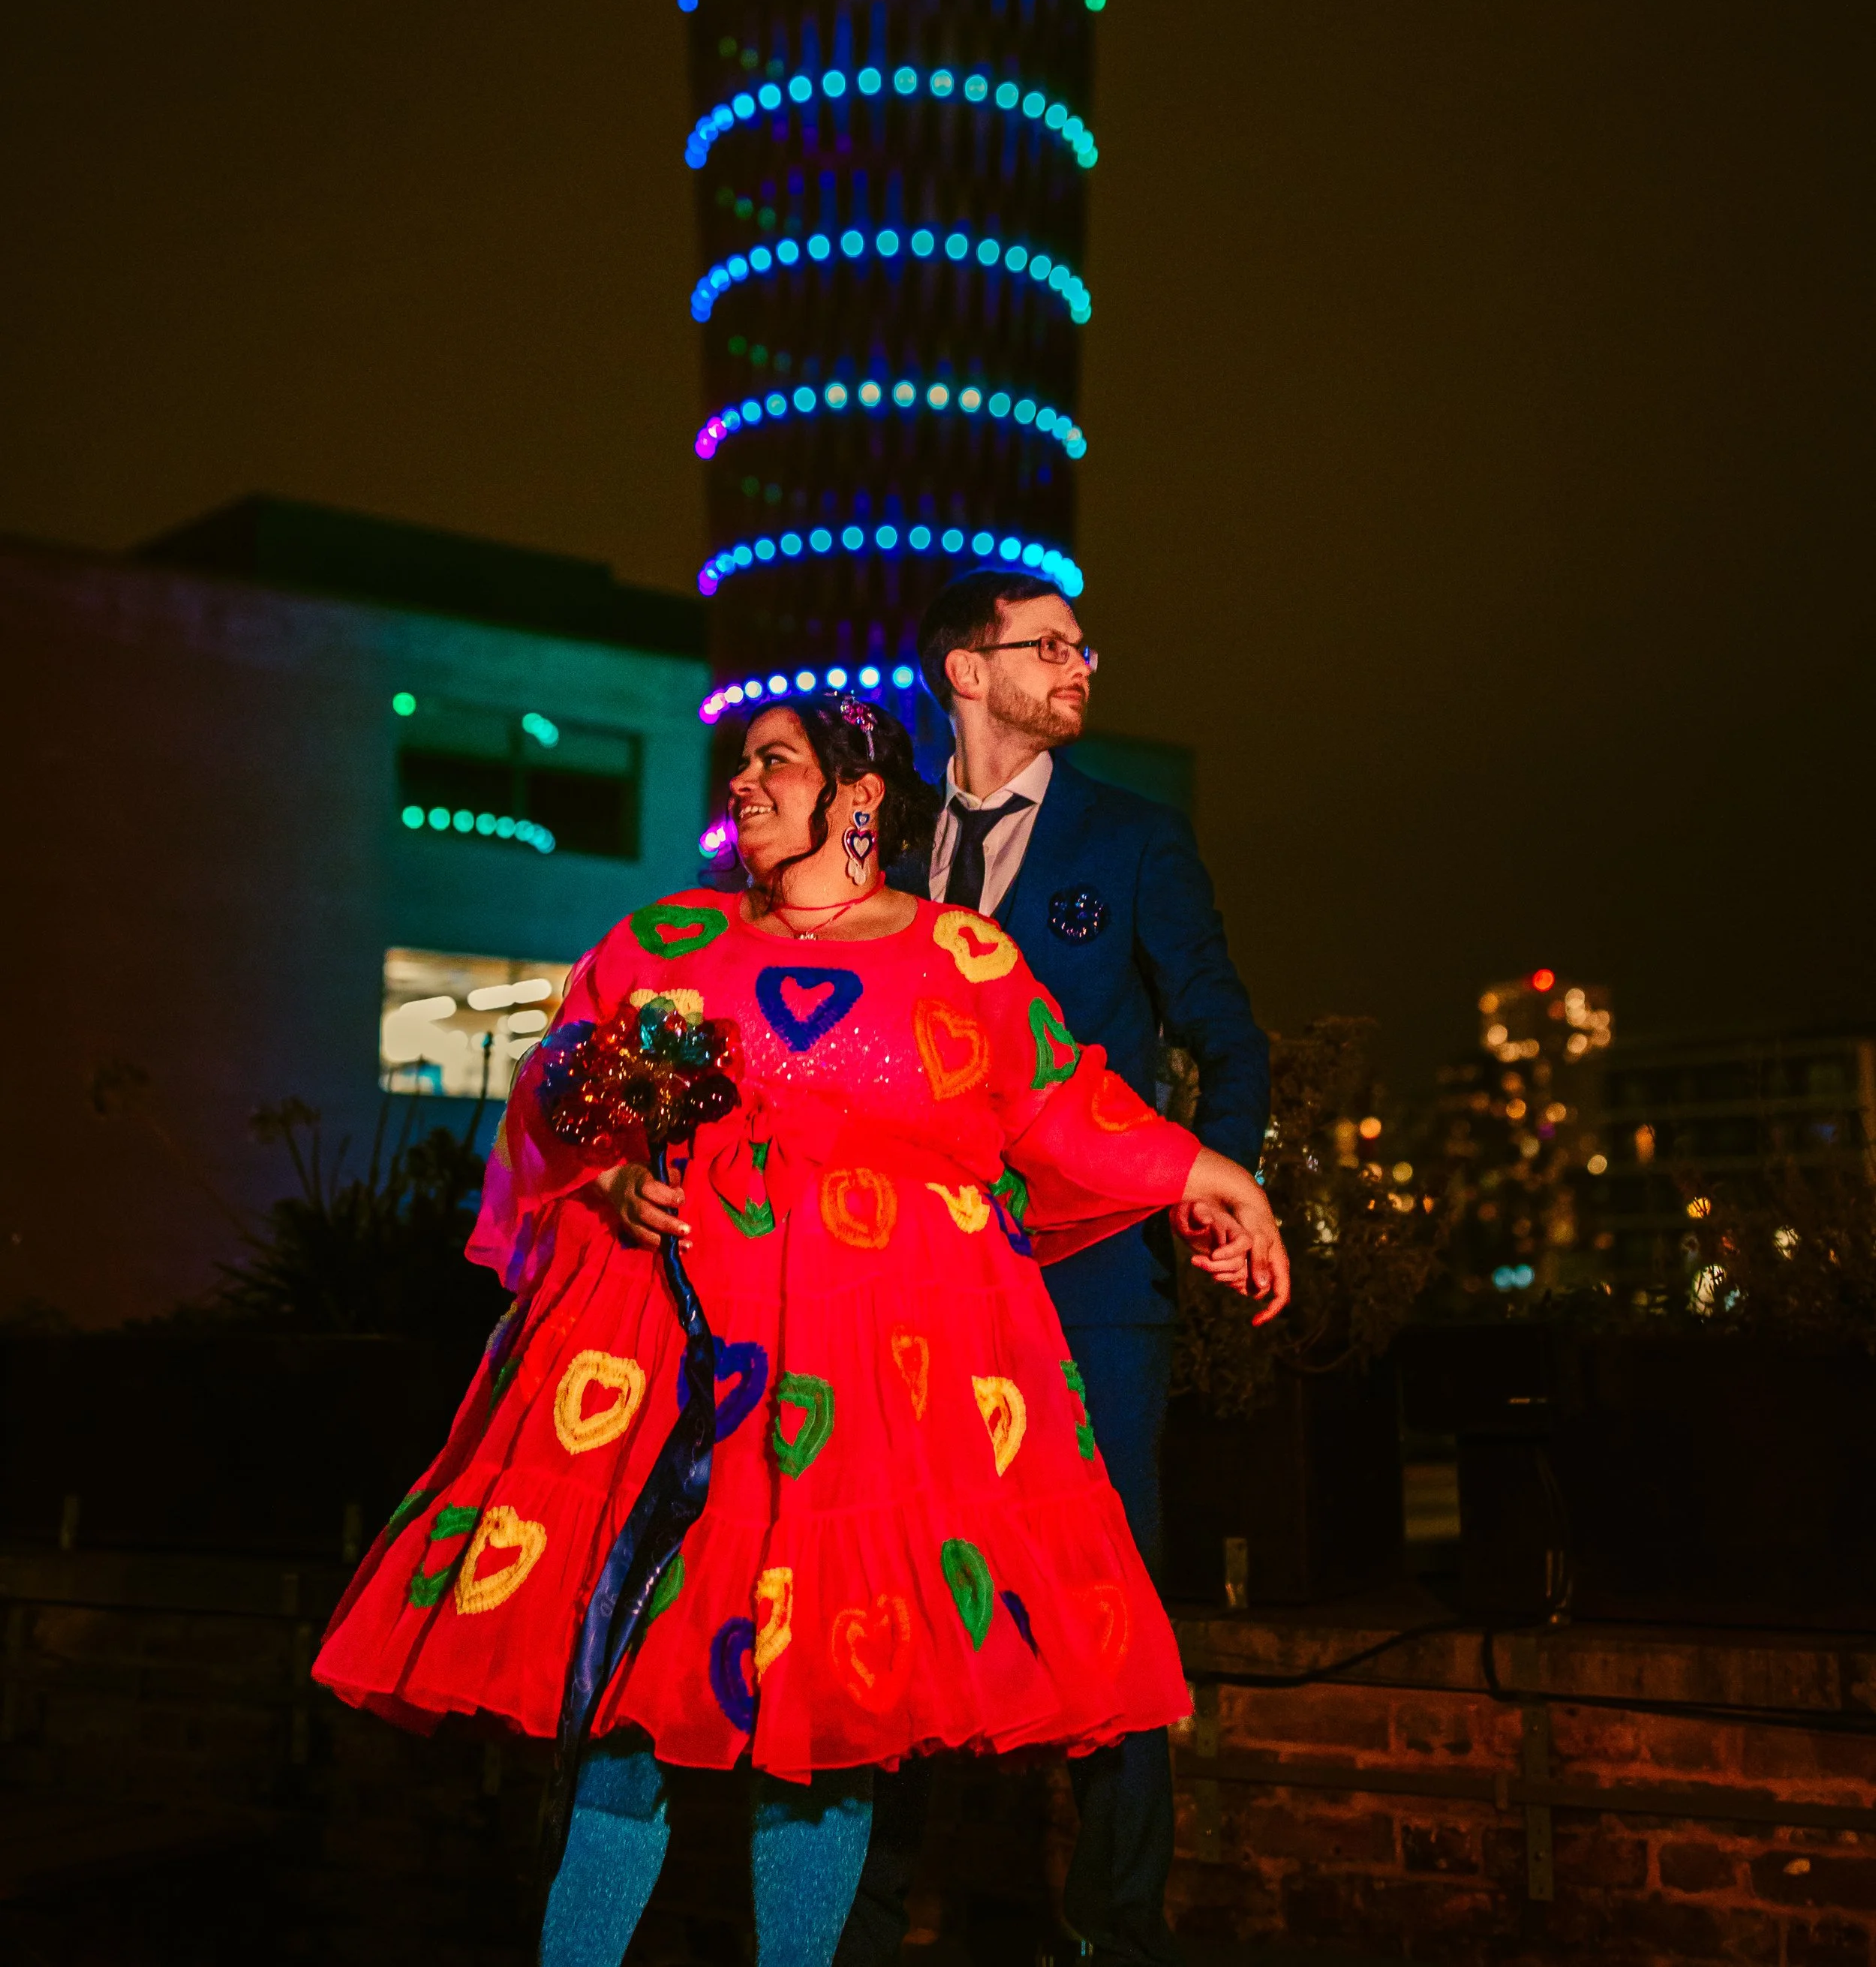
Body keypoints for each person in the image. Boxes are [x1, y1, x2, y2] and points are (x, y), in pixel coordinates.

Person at [313, 695, 1277, 1967]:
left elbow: (1062, 1101)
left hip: (874, 1391)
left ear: (858, 799)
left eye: (777, 762)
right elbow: (561, 1080)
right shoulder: (667, 941)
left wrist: (1214, 1174)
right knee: (626, 1703)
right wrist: (605, 1171)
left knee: (830, 1709)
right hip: (678, 1369)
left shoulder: (959, 958)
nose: (746, 785)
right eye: (744, 764)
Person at [840, 573, 1286, 1967]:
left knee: (1107, 1604)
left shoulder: (1136, 839)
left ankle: (1115, 1931)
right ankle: (861, 1927)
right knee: (888, 1588)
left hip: (1094, 1287)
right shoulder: (884, 848)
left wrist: (1206, 1191)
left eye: (1083, 644)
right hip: (906, 1288)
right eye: (1047, 644)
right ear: (967, 674)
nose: (1079, 663)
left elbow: (1231, 1038)